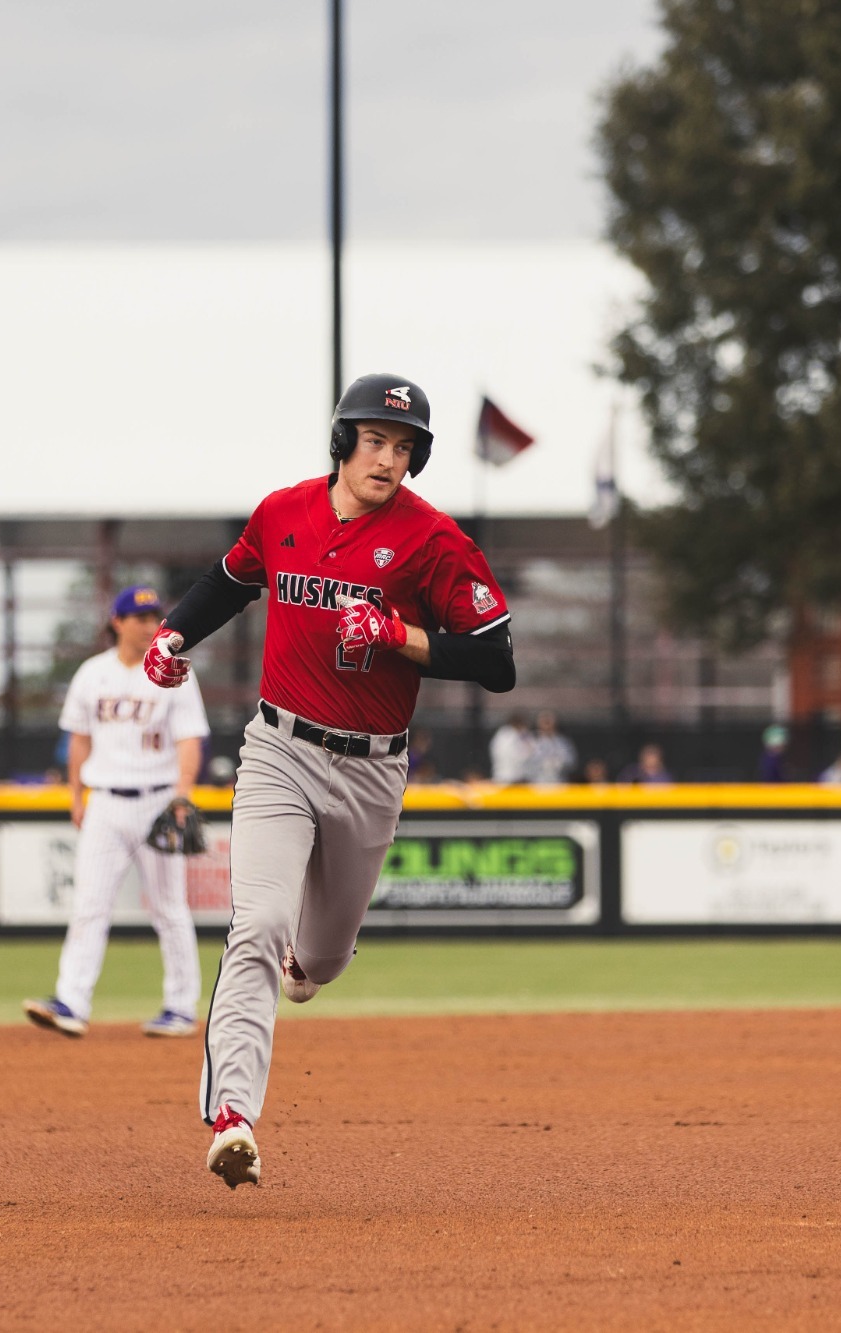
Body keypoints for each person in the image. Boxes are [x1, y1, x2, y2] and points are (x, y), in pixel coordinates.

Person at [146, 372, 515, 1188]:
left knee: (321, 955)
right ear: (344, 439)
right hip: (279, 749)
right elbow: (229, 581)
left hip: (373, 769)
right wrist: (174, 635)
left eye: (405, 446)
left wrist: (401, 633)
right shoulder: (282, 513)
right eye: (377, 440)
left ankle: (312, 966)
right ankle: (233, 1116)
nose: (390, 458)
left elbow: (497, 660)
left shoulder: (432, 539)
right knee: (259, 922)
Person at [23, 585, 210, 1040]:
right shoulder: (92, 674)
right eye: (140, 617)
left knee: (169, 908)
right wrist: (75, 795)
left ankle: (181, 1008)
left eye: (154, 617)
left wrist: (182, 796)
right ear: (117, 622)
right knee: (89, 905)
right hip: (105, 798)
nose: (150, 625)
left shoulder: (174, 671)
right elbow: (79, 738)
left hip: (157, 797)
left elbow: (190, 739)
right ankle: (71, 1002)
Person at [524, 709, 576, 785]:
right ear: (538, 723)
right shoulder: (531, 741)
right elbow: (523, 764)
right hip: (537, 785)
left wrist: (559, 763)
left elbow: (572, 762)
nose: (547, 724)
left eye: (549, 721)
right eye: (544, 721)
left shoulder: (563, 742)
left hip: (558, 784)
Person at [489, 711, 532, 785]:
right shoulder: (506, 736)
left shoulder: (502, 734)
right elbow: (520, 757)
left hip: (509, 777)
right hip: (508, 779)